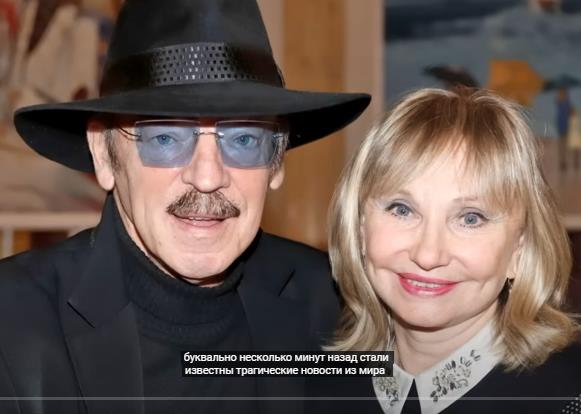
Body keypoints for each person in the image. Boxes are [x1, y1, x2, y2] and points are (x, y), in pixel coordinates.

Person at [0, 1, 371, 413]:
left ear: (276, 161)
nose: (208, 177)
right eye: (165, 138)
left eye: (244, 140)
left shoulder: (340, 308)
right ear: (104, 155)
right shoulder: (11, 322)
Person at [311, 88, 581, 414]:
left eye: (470, 218)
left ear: (519, 249)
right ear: (359, 227)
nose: (428, 255)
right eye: (402, 209)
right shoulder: (312, 386)